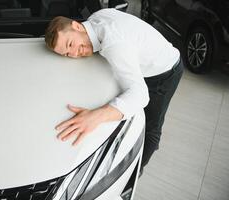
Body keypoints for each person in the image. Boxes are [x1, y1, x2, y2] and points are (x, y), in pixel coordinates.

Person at [44, 8, 183, 173]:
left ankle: (133, 176)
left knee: (152, 129)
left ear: (77, 26)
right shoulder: (96, 17)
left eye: (70, 44)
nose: (74, 54)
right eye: (67, 54)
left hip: (165, 70)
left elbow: (140, 95)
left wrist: (94, 117)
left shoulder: (114, 44)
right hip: (146, 55)